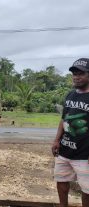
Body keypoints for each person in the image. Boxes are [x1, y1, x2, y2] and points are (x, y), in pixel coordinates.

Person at [52, 58, 89, 207]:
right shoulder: (70, 95)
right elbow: (64, 119)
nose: (76, 77)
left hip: (84, 154)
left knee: (86, 189)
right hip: (65, 149)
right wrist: (56, 140)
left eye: (81, 73)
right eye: (74, 73)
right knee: (61, 181)